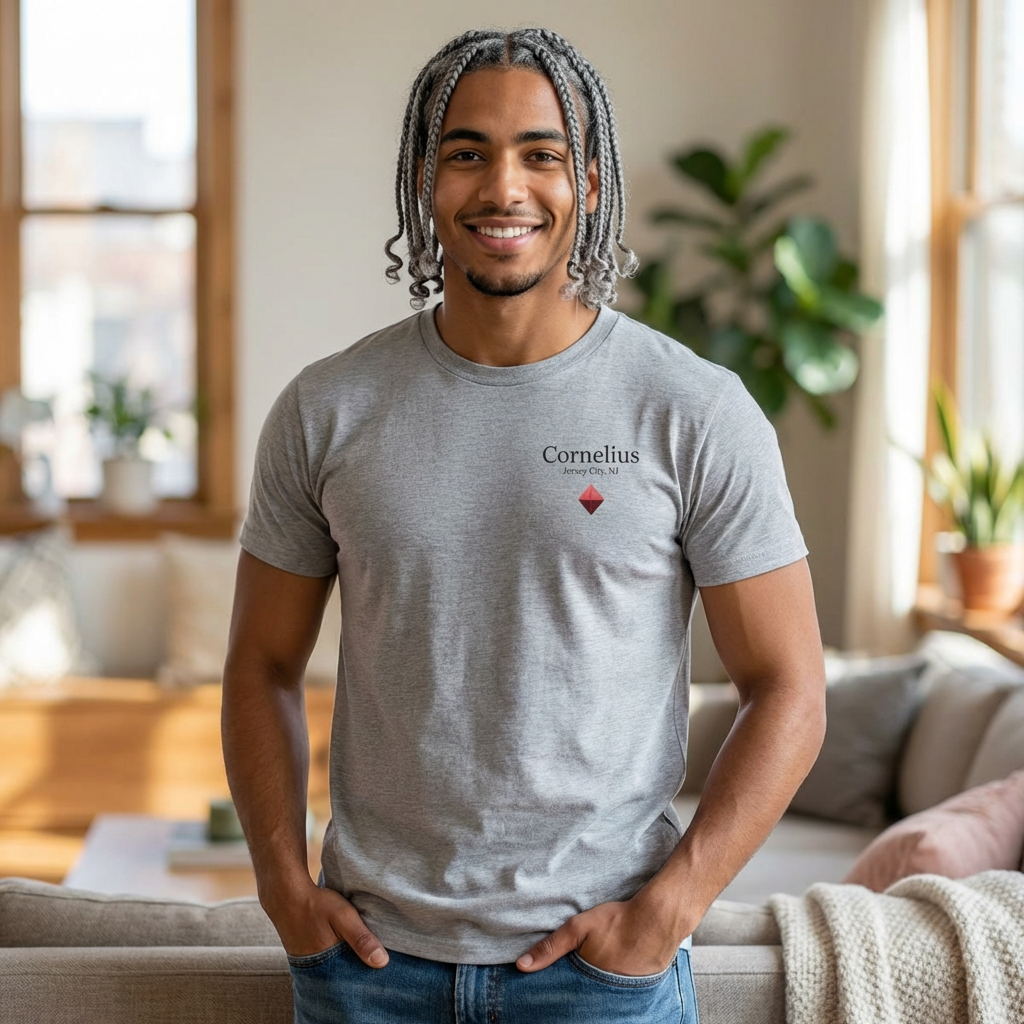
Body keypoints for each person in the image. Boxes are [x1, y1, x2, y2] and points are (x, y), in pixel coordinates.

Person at [223, 27, 826, 1024]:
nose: (504, 186)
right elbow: (258, 666)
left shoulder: (693, 409)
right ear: (425, 178)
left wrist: (666, 911)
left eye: (539, 154)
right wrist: (283, 887)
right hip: (369, 971)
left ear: (587, 182)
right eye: (467, 152)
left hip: (599, 979)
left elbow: (790, 688)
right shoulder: (327, 409)